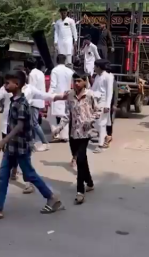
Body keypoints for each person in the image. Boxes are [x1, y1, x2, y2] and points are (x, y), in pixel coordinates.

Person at [0, 70, 64, 224]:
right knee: (2, 176)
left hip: (20, 147)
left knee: (29, 174)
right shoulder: (13, 100)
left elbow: (19, 126)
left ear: (16, 84)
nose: (5, 86)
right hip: (11, 147)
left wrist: (2, 142)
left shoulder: (22, 103)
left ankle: (52, 198)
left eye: (7, 83)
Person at [54, 70, 99, 205]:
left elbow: (98, 111)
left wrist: (90, 120)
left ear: (85, 82)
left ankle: (80, 191)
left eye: (79, 81)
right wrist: (59, 128)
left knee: (80, 159)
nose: (76, 83)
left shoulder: (90, 95)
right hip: (73, 133)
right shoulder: (70, 95)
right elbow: (67, 114)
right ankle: (90, 182)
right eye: (75, 81)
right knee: (82, 160)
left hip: (85, 133)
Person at [24, 58, 49, 152]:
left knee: (34, 123)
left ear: (27, 67)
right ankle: (33, 143)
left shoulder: (32, 74)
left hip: (33, 101)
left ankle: (45, 142)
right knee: (32, 122)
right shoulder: (40, 72)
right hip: (39, 100)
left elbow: (31, 89)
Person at [48, 54, 73, 143]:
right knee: (65, 115)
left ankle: (56, 134)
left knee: (50, 116)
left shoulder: (55, 70)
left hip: (57, 96)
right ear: (65, 60)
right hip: (67, 96)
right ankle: (65, 136)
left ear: (56, 60)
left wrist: (49, 97)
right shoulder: (70, 71)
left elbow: (53, 85)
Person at [92, 59, 113, 153]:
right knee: (95, 123)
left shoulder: (108, 77)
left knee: (101, 124)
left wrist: (107, 105)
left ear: (99, 67)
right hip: (96, 102)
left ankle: (100, 145)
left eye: (95, 66)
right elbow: (93, 89)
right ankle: (105, 137)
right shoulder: (97, 77)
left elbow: (109, 92)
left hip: (103, 103)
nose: (94, 68)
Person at [104, 64, 118, 148]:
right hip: (104, 103)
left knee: (109, 121)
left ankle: (109, 135)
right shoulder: (103, 78)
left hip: (110, 103)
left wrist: (115, 104)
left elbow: (115, 93)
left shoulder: (112, 80)